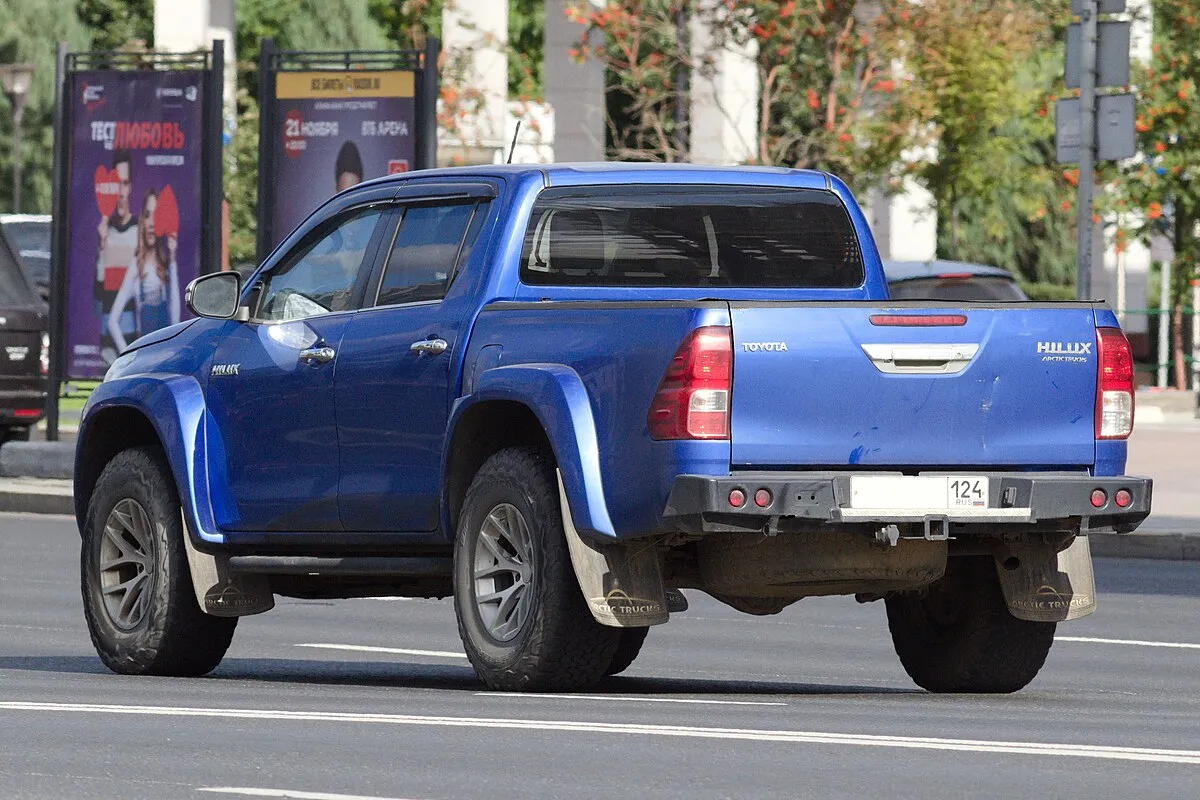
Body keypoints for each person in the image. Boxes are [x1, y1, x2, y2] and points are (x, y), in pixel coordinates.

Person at [107, 188, 180, 353]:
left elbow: (175, 321)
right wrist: (126, 355)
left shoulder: (168, 268)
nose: (152, 222)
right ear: (142, 221)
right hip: (144, 358)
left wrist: (173, 259)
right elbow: (112, 321)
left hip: (165, 356)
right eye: (147, 215)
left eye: (157, 216)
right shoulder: (136, 268)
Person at [96, 149, 138, 365]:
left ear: (130, 187)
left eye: (125, 183)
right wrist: (102, 247)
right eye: (116, 184)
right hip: (107, 328)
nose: (120, 192)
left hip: (133, 327)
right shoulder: (105, 230)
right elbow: (99, 287)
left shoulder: (140, 229)